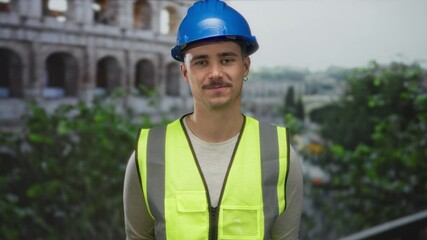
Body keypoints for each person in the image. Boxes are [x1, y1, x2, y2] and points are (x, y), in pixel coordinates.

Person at [123, 0, 303, 239]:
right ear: (185, 72)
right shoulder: (149, 155)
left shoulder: (280, 154)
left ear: (245, 67)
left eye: (227, 59)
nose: (215, 73)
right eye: (201, 62)